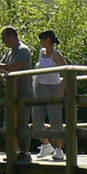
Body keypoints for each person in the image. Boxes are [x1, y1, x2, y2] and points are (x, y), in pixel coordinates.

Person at [0, 25, 34, 162]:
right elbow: (2, 69)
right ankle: (13, 151)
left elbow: (15, 67)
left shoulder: (23, 50)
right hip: (11, 94)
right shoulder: (9, 52)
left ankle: (25, 153)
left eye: (4, 38)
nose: (3, 41)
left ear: (11, 36)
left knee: (22, 124)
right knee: (9, 124)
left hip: (23, 93)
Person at [31, 30, 68, 162]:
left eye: (42, 39)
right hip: (40, 88)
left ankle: (59, 150)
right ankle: (46, 145)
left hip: (54, 88)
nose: (40, 42)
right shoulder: (41, 53)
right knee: (36, 118)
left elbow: (67, 71)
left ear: (48, 40)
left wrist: (61, 89)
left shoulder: (56, 54)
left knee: (55, 119)